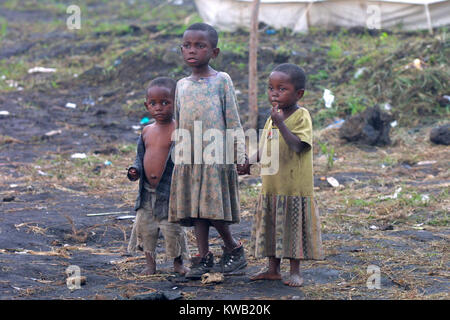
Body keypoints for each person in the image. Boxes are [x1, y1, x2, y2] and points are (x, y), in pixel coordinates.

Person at [168, 23, 247, 279]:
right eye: (187, 46)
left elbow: (233, 119)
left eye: (200, 46)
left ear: (214, 52)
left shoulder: (221, 80)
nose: (192, 51)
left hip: (216, 157)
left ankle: (233, 248)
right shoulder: (181, 85)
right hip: (190, 158)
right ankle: (203, 257)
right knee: (195, 209)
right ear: (181, 50)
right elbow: (178, 121)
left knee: (213, 209)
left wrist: (240, 154)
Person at [239, 63, 324, 287]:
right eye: (270, 88)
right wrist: (250, 161)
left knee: (292, 227)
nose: (274, 93)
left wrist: (280, 124)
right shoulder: (272, 117)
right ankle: (273, 269)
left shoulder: (301, 116)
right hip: (272, 186)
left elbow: (299, 147)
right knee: (272, 226)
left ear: (299, 93)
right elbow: (267, 146)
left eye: (281, 89)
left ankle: (295, 271)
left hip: (293, 188)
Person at [127, 77, 190, 276]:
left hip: (170, 193)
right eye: (153, 103)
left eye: (165, 102)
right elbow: (140, 156)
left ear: (176, 103)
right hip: (147, 193)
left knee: (173, 230)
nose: (159, 108)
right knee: (146, 229)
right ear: (147, 105)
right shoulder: (146, 131)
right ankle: (150, 265)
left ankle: (178, 264)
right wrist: (134, 170)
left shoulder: (179, 129)